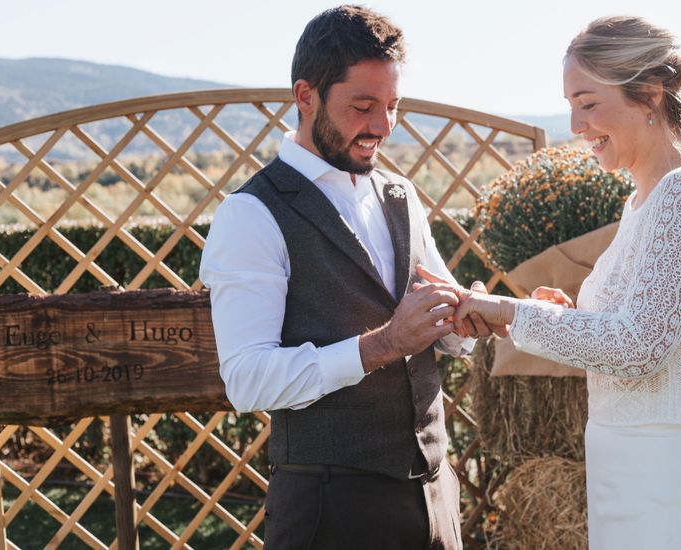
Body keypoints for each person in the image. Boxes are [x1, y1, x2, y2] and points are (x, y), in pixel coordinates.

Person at [436, 15, 681, 549]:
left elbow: (638, 348)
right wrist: (564, 316)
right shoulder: (643, 202)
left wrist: (512, 314)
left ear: (650, 96)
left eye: (587, 103)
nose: (575, 124)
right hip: (631, 479)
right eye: (570, 105)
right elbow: (633, 329)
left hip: (673, 488)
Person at [200, 6, 489, 549]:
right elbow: (247, 379)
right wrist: (382, 344)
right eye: (363, 106)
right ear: (305, 96)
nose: (382, 126)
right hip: (330, 508)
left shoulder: (401, 197)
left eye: (393, 106)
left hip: (435, 496)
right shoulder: (252, 215)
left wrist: (475, 314)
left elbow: (442, 323)